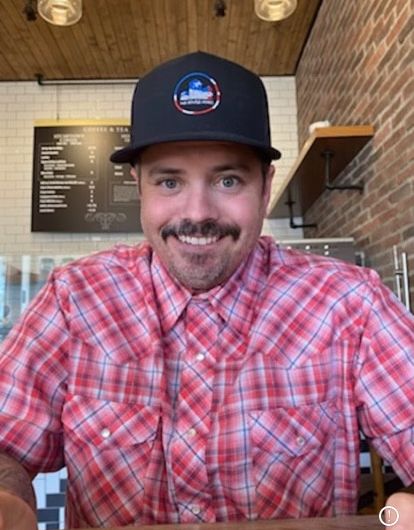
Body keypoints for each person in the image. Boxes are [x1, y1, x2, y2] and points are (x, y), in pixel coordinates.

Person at [0, 51, 413, 530]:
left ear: (265, 188)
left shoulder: (349, 302)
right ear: (139, 187)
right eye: (169, 181)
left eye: (228, 179)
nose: (197, 213)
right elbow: (7, 446)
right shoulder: (75, 299)